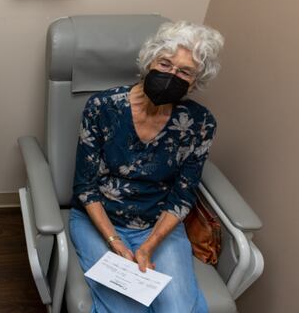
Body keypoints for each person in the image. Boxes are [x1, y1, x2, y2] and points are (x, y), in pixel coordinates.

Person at [69, 21, 224, 312]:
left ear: (195, 81)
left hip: (157, 224)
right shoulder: (102, 106)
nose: (171, 75)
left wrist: (149, 245)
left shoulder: (200, 123)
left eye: (184, 72)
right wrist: (115, 242)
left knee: (178, 308)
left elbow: (183, 194)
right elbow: (85, 187)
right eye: (165, 63)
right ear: (149, 61)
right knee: (126, 308)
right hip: (99, 219)